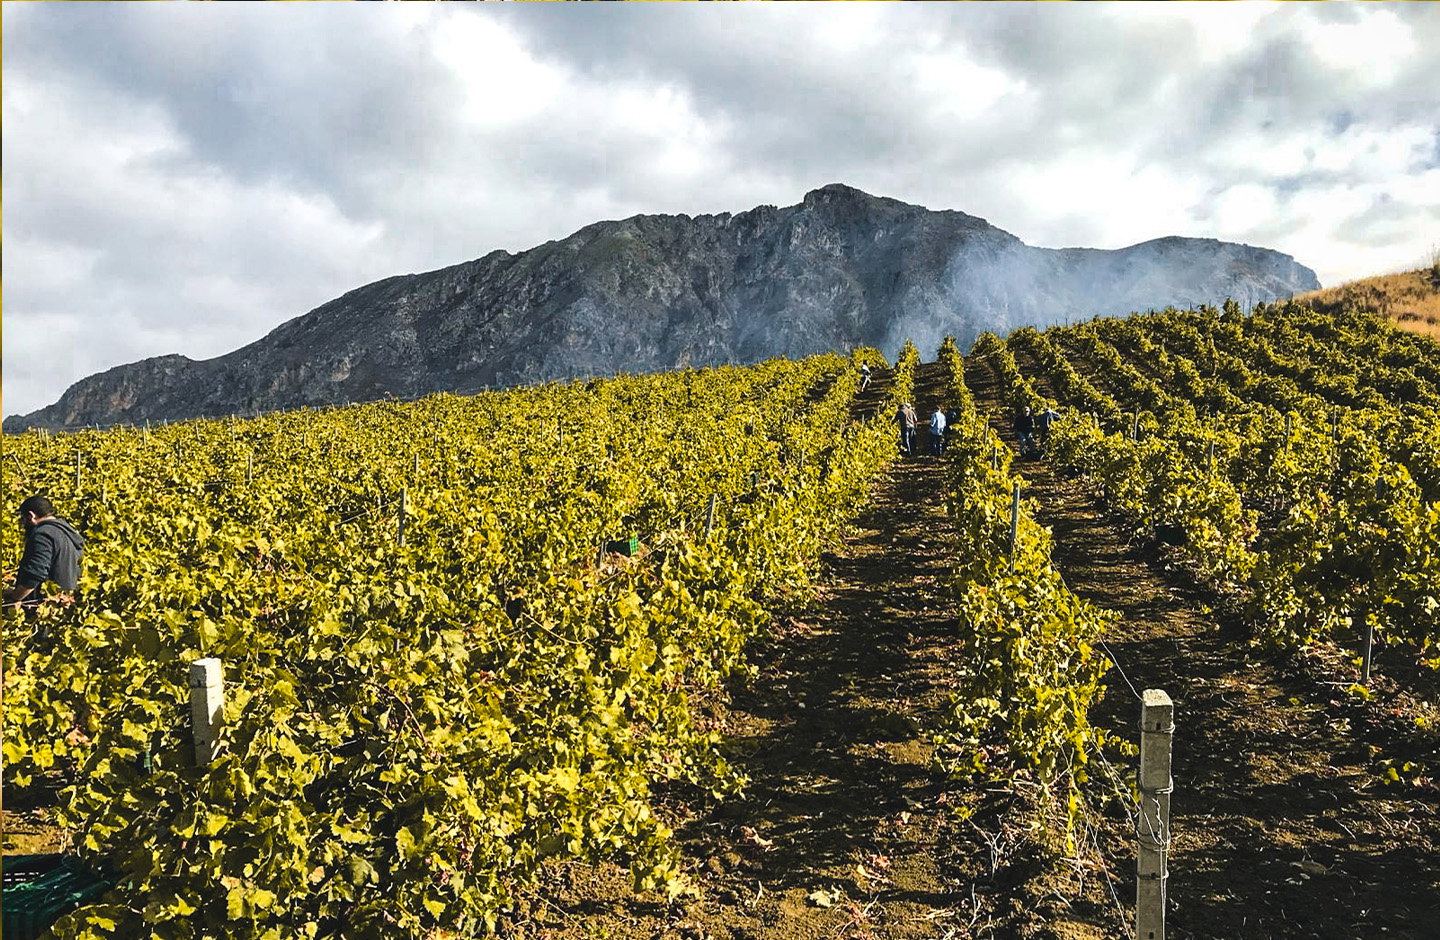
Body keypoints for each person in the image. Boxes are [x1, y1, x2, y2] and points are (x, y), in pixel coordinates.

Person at [4, 495, 84, 614]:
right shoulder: (67, 532)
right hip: (62, 607)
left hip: (44, 608)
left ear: (31, 516)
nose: (23, 524)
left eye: (24, 519)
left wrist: (15, 597)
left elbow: (36, 574)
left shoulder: (42, 535)